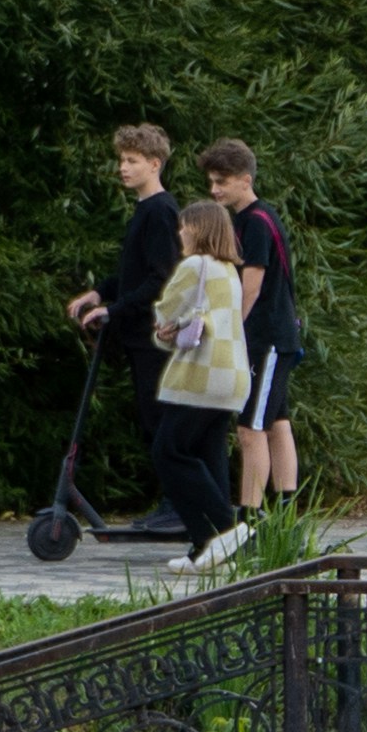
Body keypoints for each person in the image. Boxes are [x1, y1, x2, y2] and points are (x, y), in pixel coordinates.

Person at [58, 121, 195, 533]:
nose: (123, 167)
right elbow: (133, 272)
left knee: (160, 419)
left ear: (155, 164)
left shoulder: (161, 211)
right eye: (122, 160)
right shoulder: (144, 210)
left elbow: (161, 277)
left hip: (155, 335)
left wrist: (114, 311)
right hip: (139, 335)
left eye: (132, 160)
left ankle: (179, 506)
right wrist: (99, 293)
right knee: (151, 419)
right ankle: (174, 502)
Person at [141, 202, 252, 566]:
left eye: (185, 226)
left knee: (169, 451)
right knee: (209, 456)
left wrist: (163, 330)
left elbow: (166, 311)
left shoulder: (195, 265)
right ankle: (207, 548)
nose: (180, 233)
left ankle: (226, 530)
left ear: (199, 229)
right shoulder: (229, 270)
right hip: (230, 378)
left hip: (201, 377)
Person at [198, 139, 301, 511]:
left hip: (265, 340)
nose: (214, 190)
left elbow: (251, 288)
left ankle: (251, 518)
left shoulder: (256, 222)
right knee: (276, 422)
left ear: (245, 180)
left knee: (249, 429)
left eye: (222, 182)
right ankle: (286, 513)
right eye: (212, 182)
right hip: (273, 338)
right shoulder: (248, 219)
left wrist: (228, 333)